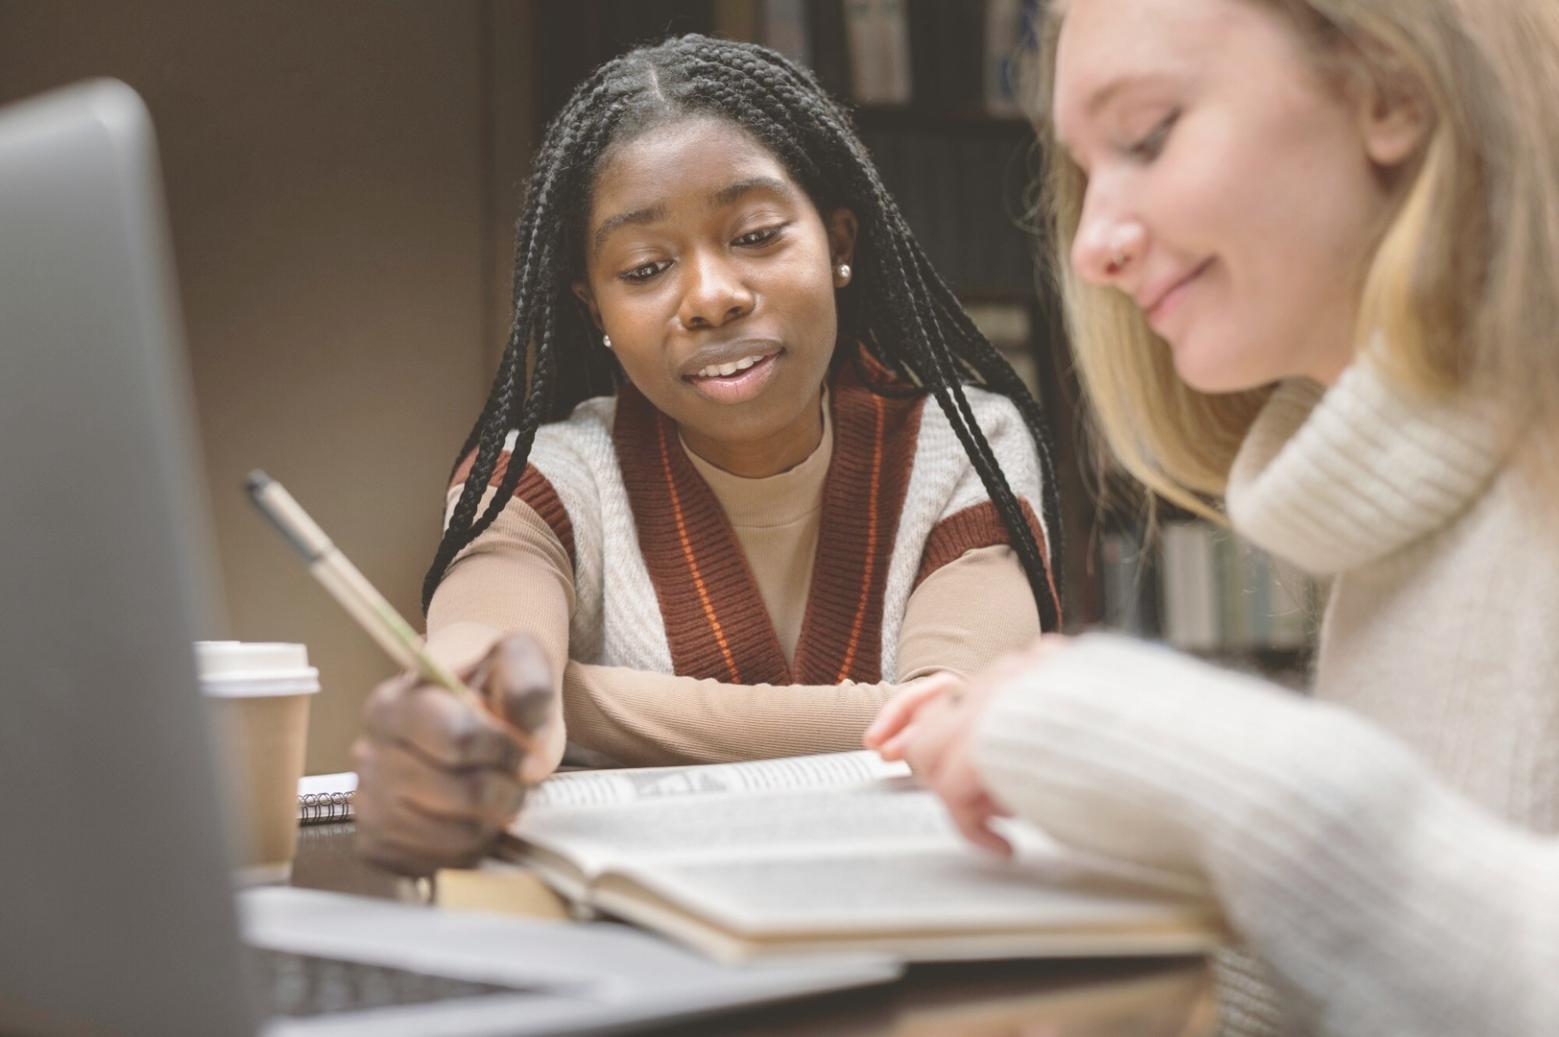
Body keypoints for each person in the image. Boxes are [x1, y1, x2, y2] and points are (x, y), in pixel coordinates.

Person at [868, 0, 1559, 1033]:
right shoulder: (1390, 538)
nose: (1092, 246)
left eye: (1146, 135)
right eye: (1084, 171)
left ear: (1390, 91)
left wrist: (1190, 752)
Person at [351, 34, 1067, 876]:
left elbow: (954, 715)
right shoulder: (535, 479)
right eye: (647, 266)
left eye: (757, 235)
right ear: (596, 310)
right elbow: (488, 669)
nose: (711, 297)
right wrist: (470, 706)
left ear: (838, 242)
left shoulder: (965, 446)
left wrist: (571, 702)